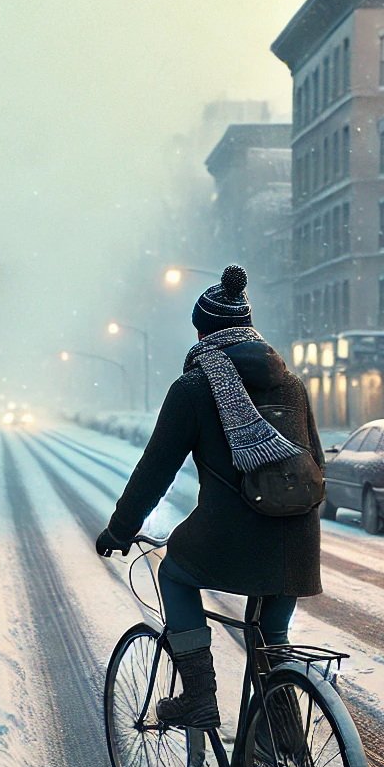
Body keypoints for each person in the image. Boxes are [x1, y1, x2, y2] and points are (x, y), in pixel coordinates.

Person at [95, 265, 322, 729]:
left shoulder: (195, 387)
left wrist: (122, 529)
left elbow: (156, 469)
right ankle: (285, 748)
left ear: (204, 331)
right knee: (272, 637)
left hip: (231, 536)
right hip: (297, 540)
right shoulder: (291, 384)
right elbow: (316, 459)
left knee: (176, 573)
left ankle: (199, 695)